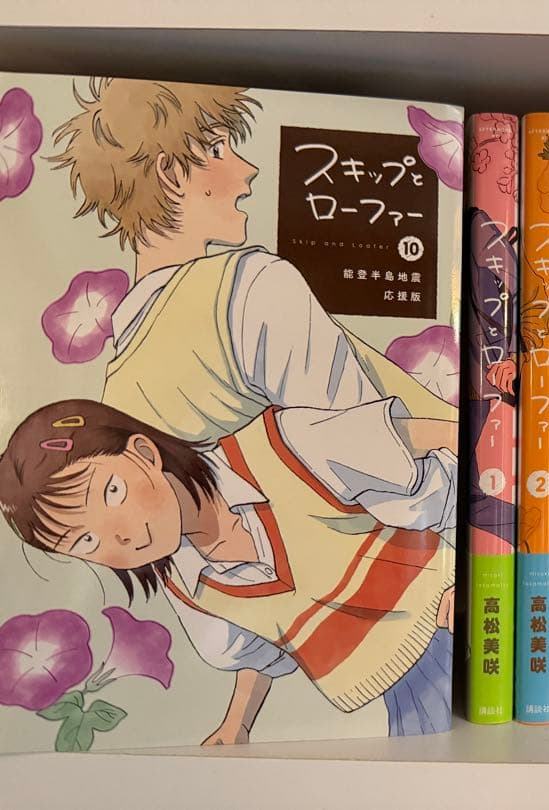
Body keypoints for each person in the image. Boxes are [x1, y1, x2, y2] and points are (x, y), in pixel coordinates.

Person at [49, 79, 459, 741]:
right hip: (438, 588)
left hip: (380, 648)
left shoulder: (118, 391)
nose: (248, 171)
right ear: (171, 172)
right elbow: (377, 463)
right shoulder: (250, 289)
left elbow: (235, 580)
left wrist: (238, 721)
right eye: (219, 149)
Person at [0, 398, 456, 742]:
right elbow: (265, 639)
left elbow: (439, 437)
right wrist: (238, 723)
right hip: (395, 678)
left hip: (453, 606)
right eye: (86, 541)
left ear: (143, 452)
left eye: (112, 493)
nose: (120, 537)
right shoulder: (188, 586)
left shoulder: (279, 446)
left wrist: (477, 569)